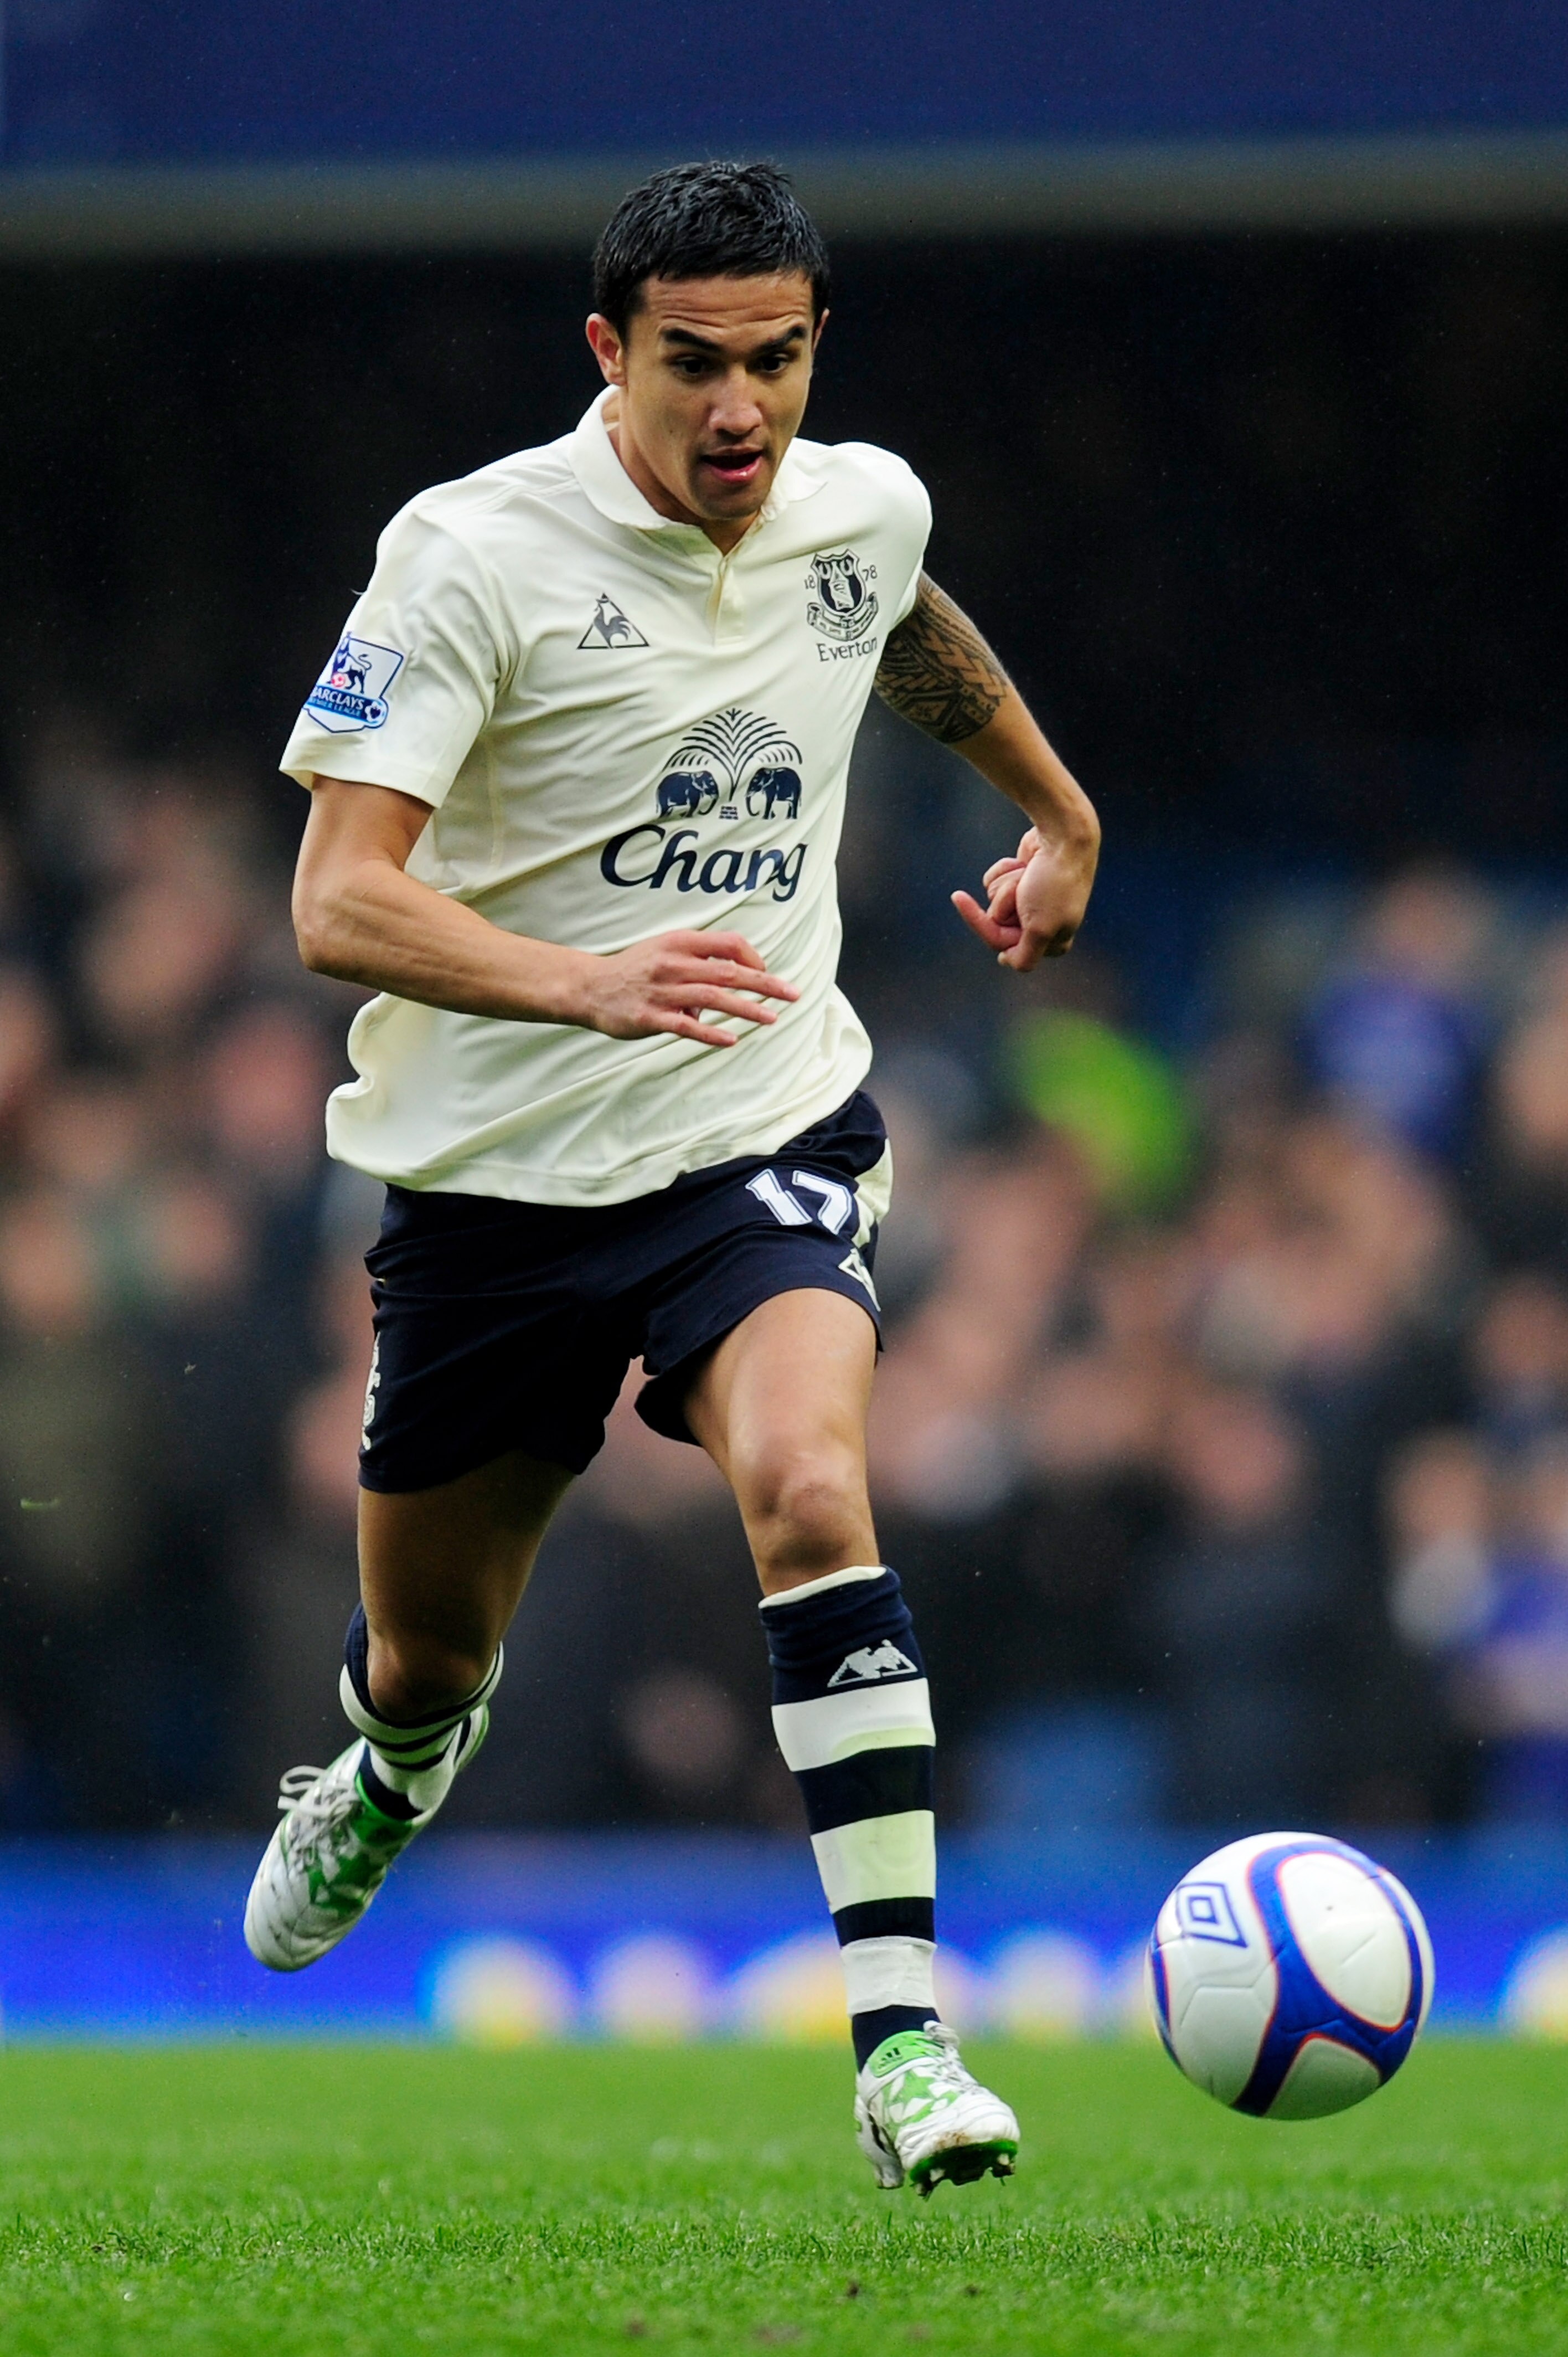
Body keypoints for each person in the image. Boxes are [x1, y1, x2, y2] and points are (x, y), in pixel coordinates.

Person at [245, 161, 1098, 2195]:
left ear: (816, 349)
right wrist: (581, 981)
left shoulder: (855, 502)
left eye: (779, 361)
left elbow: (898, 616)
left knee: (811, 1484)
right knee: (435, 1653)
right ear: (610, 352)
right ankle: (389, 1766)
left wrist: (1058, 815)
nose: (743, 410)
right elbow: (335, 900)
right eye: (697, 363)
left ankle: (904, 2046)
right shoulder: (469, 555)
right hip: (495, 1192)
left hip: (757, 1131)